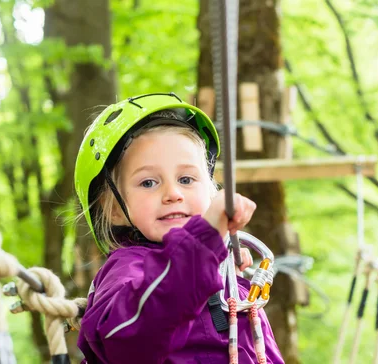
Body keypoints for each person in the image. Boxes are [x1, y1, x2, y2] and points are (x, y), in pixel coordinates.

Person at [74, 93, 284, 363]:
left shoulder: (225, 276)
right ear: (115, 208)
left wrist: (218, 266)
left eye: (186, 179)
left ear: (209, 191)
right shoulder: (127, 272)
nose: (173, 193)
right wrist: (203, 247)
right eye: (148, 182)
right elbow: (133, 336)